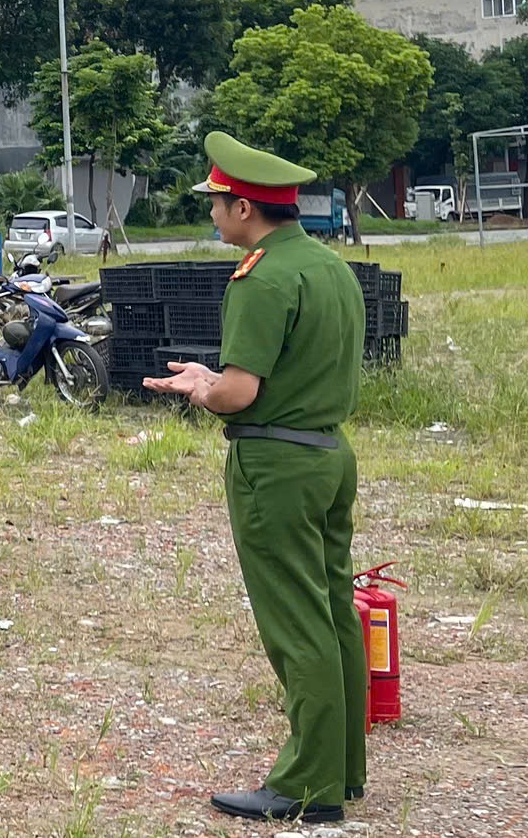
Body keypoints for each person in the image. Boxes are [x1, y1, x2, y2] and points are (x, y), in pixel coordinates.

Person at [144, 133, 367, 826]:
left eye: (216, 203)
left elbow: (241, 392)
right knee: (332, 610)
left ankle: (309, 786)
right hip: (327, 452)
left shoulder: (262, 277)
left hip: (276, 465)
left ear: (244, 208)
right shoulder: (329, 267)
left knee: (296, 620)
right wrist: (219, 379)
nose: (212, 214)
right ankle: (342, 768)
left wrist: (203, 388)